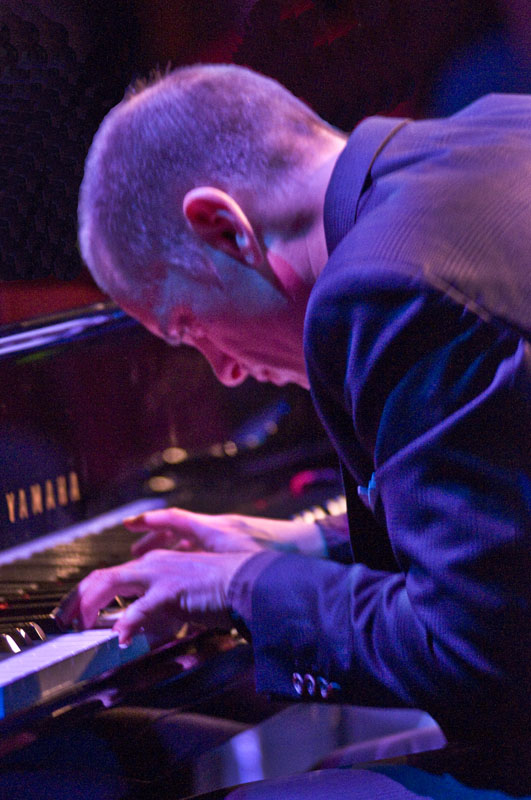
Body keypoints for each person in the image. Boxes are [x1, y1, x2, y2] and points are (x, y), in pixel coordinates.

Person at [57, 65, 530, 798]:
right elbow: (501, 496)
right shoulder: (499, 128)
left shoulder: (387, 284)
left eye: (188, 327)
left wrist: (243, 585)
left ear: (223, 228)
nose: (223, 374)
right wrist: (312, 544)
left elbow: (473, 654)